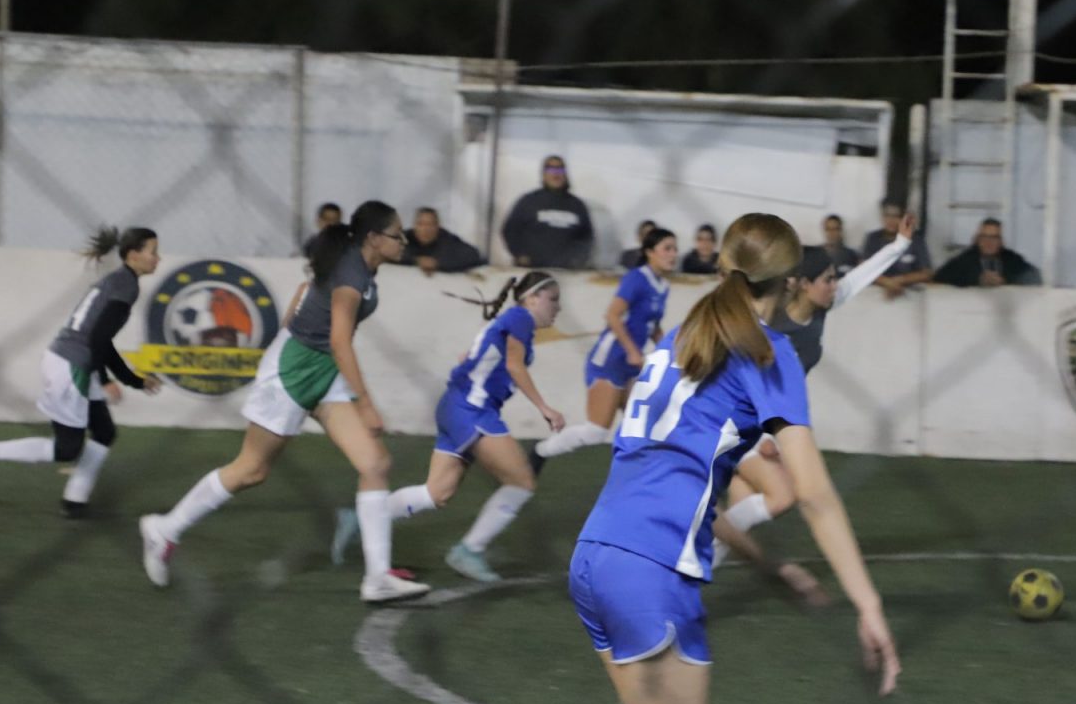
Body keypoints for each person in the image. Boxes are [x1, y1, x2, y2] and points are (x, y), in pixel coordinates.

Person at [399, 213, 901, 704]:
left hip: (601, 553)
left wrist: (761, 536)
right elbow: (813, 492)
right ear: (788, 284)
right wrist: (869, 603)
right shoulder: (768, 351)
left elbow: (695, 464)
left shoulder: (682, 338)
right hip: (652, 569)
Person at [138, 200, 430, 604]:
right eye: (398, 235)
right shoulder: (351, 273)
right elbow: (339, 340)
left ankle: (378, 577)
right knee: (251, 470)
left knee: (375, 464)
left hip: (322, 370)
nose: (404, 241)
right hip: (293, 371)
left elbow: (308, 292)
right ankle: (164, 529)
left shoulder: (359, 264)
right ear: (374, 238)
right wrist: (365, 403)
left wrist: (295, 326)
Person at [711, 212, 920, 588]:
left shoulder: (822, 306)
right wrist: (766, 437)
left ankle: (688, 575)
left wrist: (900, 245)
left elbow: (859, 278)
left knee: (742, 511)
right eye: (828, 279)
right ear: (803, 284)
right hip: (737, 424)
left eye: (834, 277)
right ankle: (699, 542)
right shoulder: (769, 321)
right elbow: (745, 381)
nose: (835, 285)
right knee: (782, 496)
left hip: (765, 426)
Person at [330, 273, 567, 584]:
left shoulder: (511, 321)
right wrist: (544, 408)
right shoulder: (521, 317)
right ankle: (470, 550)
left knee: (437, 493)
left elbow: (474, 358)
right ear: (532, 299)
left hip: (455, 406)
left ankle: (364, 516)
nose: (558, 307)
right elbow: (514, 365)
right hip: (472, 410)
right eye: (553, 299)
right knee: (521, 481)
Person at [0, 226, 164, 514]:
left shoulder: (120, 281)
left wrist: (133, 380)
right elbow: (99, 339)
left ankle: (75, 500)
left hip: (77, 362)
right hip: (71, 367)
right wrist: (112, 380)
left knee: (104, 432)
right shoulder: (126, 286)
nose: (158, 258)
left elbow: (101, 339)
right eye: (153, 252)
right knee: (66, 449)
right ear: (133, 255)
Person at [528, 226, 677, 470]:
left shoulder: (662, 286)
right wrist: (632, 350)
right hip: (610, 360)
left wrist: (667, 352)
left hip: (629, 366)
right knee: (596, 432)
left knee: (644, 426)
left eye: (675, 249)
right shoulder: (637, 279)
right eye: (667, 249)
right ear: (650, 252)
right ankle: (540, 451)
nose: (673, 254)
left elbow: (652, 324)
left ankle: (642, 477)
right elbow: (613, 316)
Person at [502, 155, 594, 269]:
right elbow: (510, 230)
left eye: (560, 170)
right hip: (532, 271)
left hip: (568, 273)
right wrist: (520, 255)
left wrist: (579, 259)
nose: (556, 174)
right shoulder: (528, 201)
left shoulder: (577, 205)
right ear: (544, 174)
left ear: (565, 174)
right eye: (551, 169)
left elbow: (587, 236)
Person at [932, 218, 1042, 288]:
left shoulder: (1012, 259)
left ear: (1001, 241)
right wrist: (977, 280)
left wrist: (1005, 281)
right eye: (984, 237)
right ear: (977, 240)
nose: (989, 242)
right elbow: (940, 278)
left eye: (994, 238)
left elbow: (1034, 277)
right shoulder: (963, 260)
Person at [861, 201, 933, 298]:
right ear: (882, 217)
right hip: (876, 296)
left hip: (909, 296)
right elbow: (863, 270)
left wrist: (900, 280)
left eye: (896, 216)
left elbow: (927, 273)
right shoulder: (873, 238)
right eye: (887, 216)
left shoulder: (916, 240)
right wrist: (887, 282)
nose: (891, 220)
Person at [399, 207, 484, 275]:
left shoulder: (446, 239)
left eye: (431, 224)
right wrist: (416, 260)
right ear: (415, 226)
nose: (426, 229)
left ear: (438, 227)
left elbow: (473, 254)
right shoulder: (404, 237)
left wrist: (438, 263)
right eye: (421, 224)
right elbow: (391, 253)